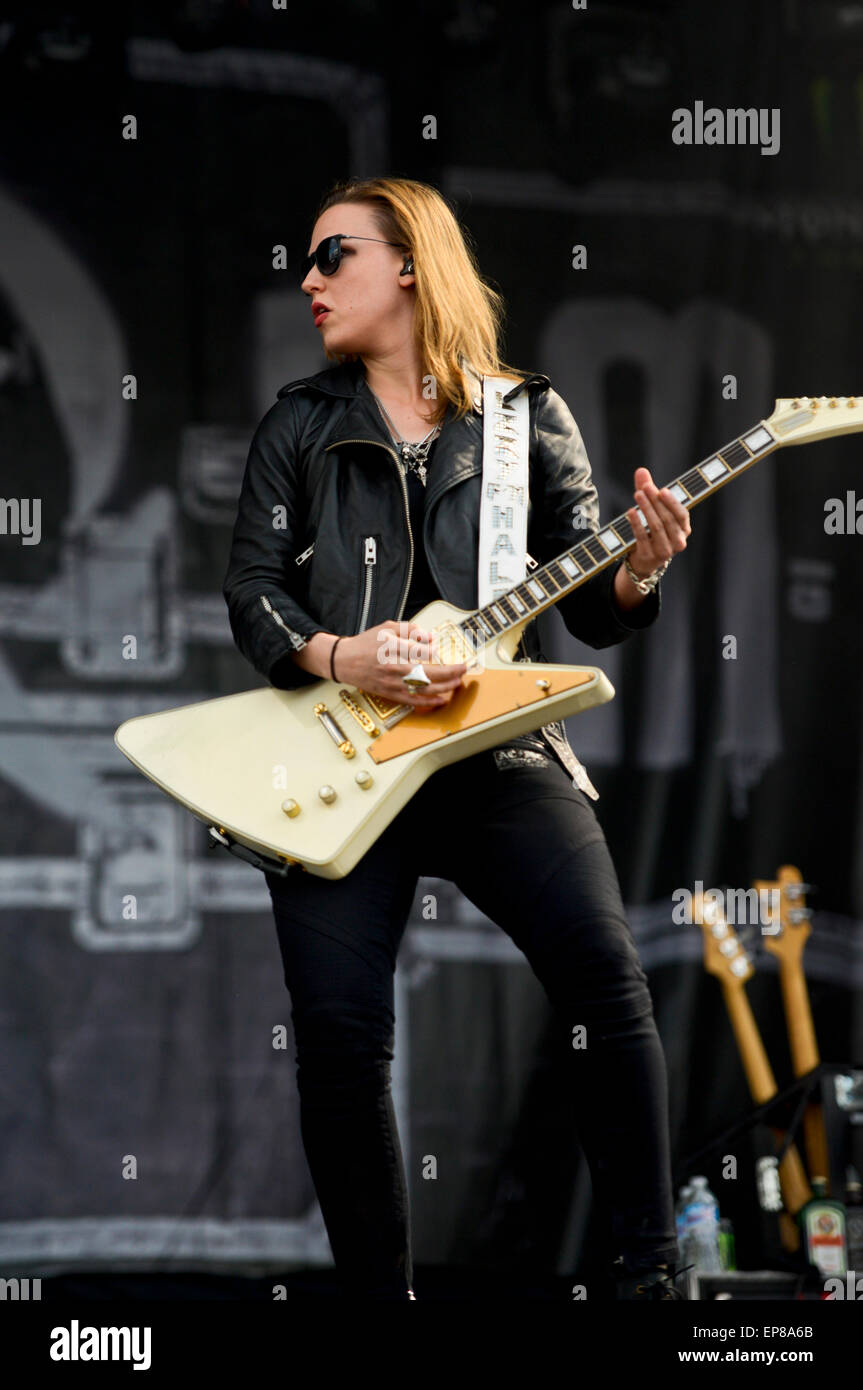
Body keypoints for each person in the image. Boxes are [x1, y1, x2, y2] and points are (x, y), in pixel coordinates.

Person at [222, 175, 692, 1302]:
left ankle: (649, 1279)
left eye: (333, 254)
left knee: (604, 977)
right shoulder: (300, 420)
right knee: (339, 1039)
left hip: (497, 758)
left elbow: (589, 606)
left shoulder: (529, 418)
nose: (309, 278)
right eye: (308, 258)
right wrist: (343, 655)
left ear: (408, 264)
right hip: (345, 755)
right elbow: (248, 591)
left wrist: (634, 570)